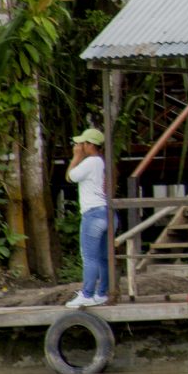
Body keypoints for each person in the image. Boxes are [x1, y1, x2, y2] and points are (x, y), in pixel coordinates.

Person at [65, 127, 111, 309]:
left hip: (93, 214)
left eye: (82, 143)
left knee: (89, 257)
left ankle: (87, 295)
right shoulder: (100, 162)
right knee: (103, 258)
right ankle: (102, 293)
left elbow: (70, 177)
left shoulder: (91, 161)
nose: (79, 146)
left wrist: (76, 157)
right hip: (106, 212)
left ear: (90, 145)